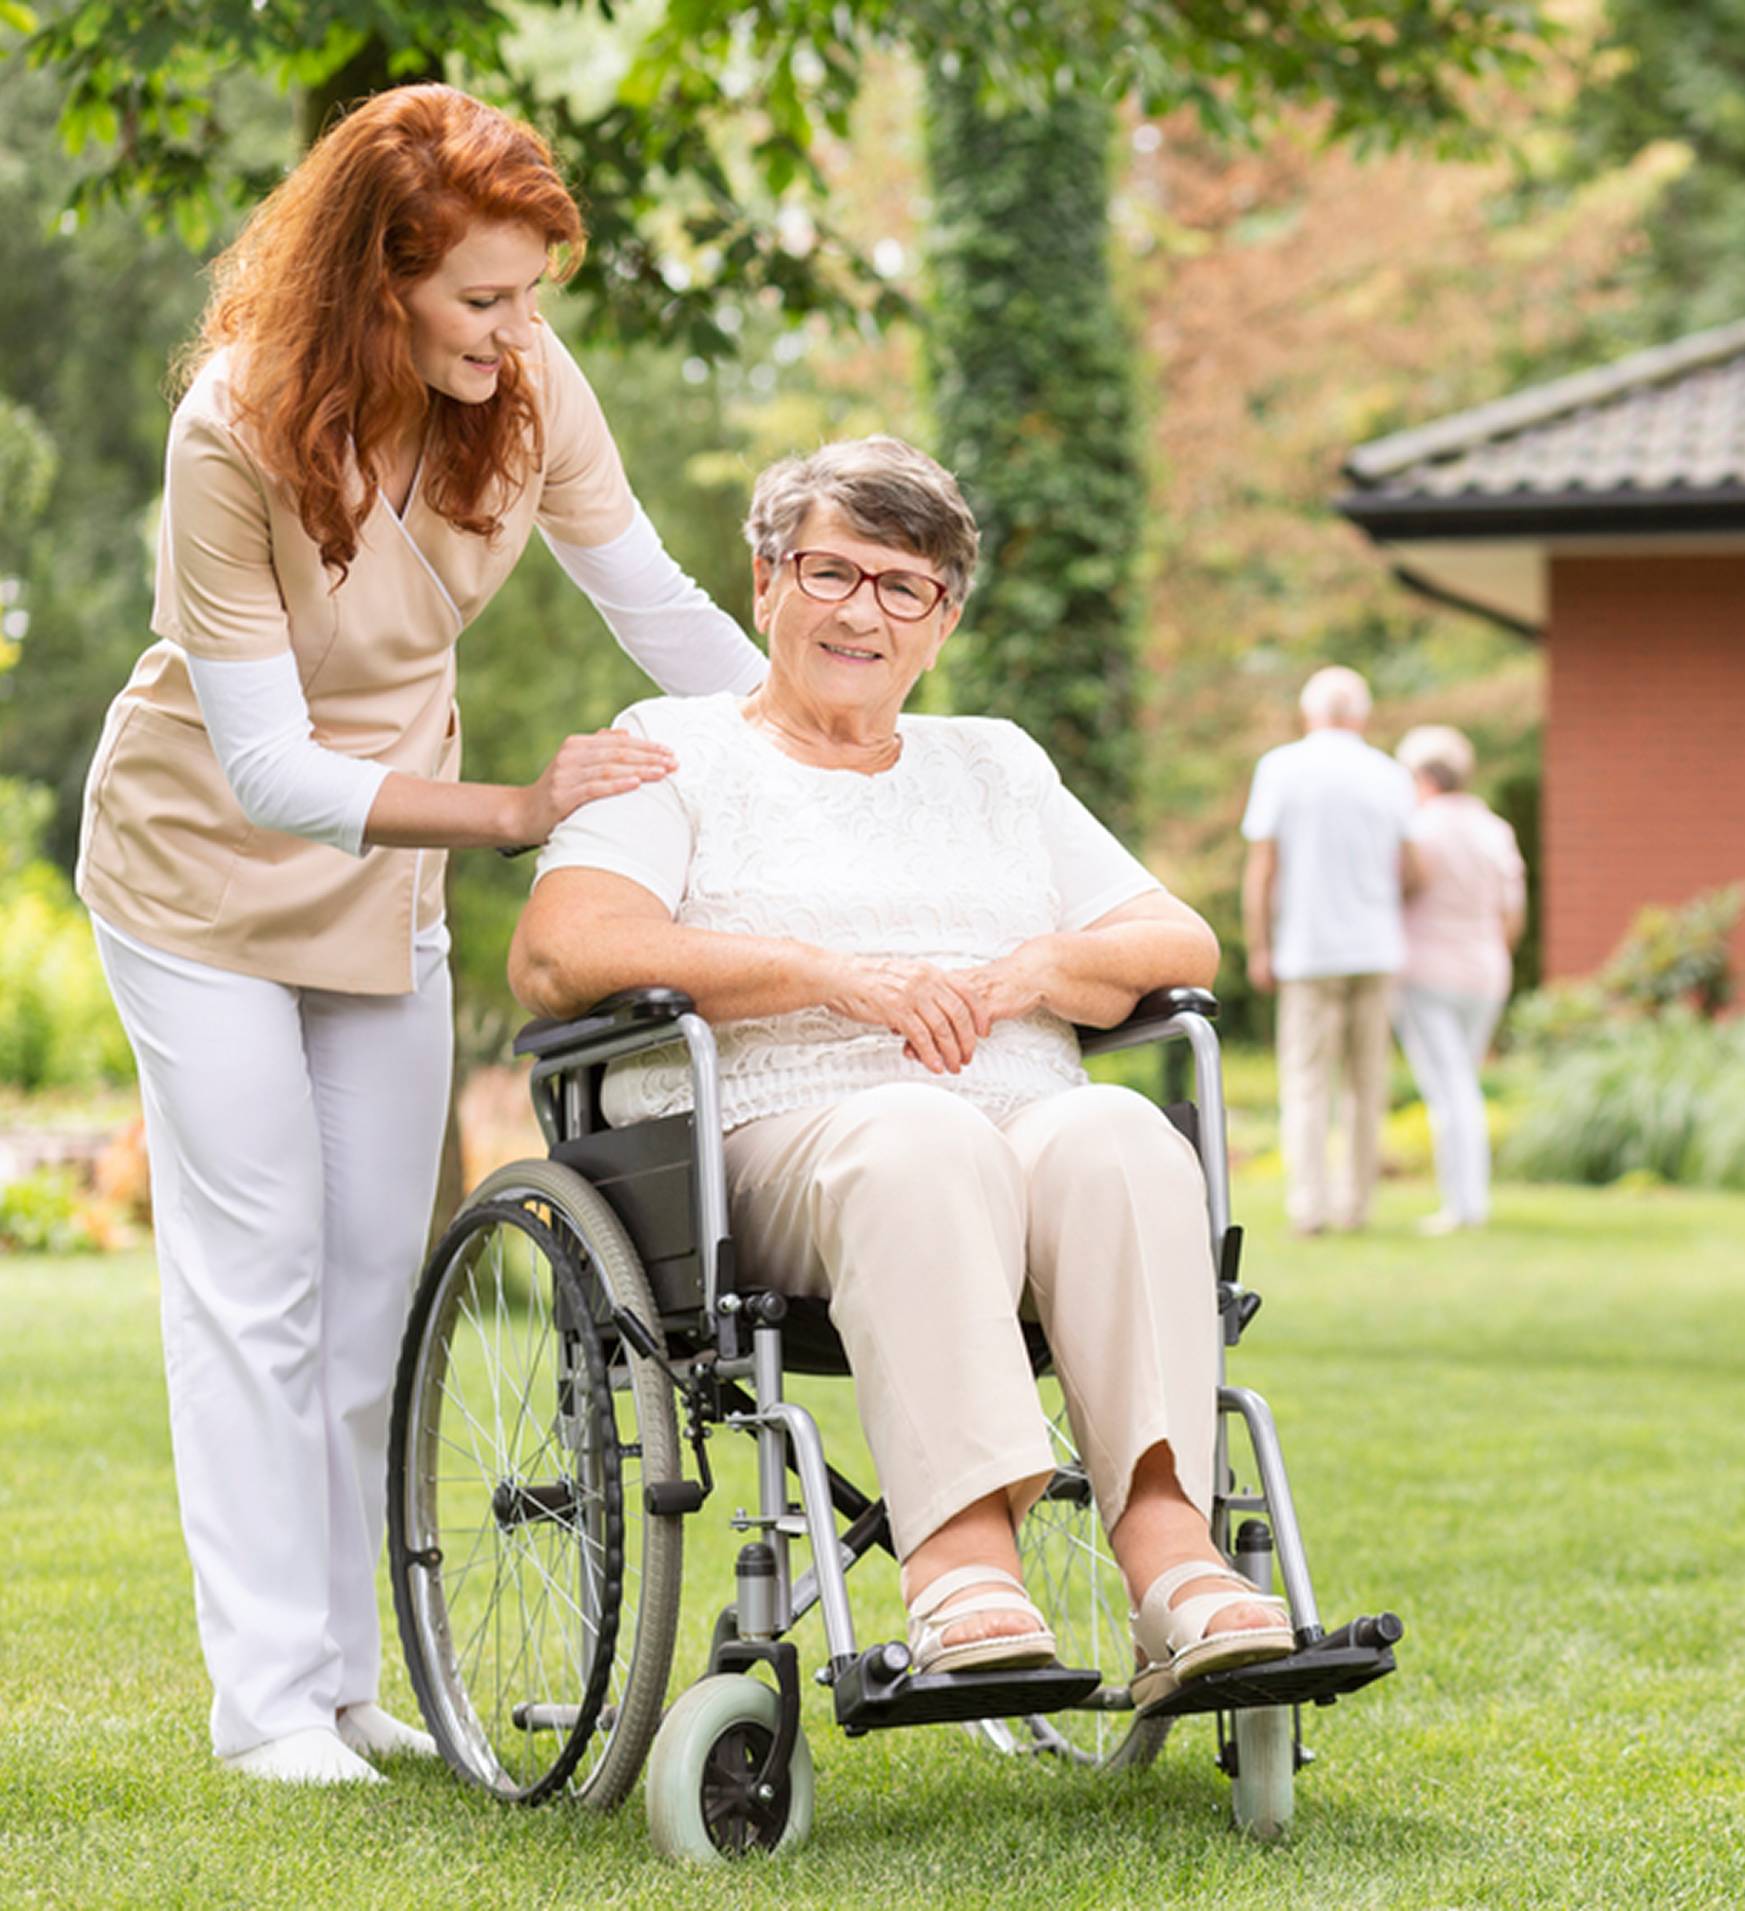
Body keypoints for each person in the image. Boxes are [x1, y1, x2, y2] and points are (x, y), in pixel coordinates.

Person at [75, 85, 768, 1785]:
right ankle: (265, 1699)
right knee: (256, 1274)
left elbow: (652, 599)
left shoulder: (523, 384)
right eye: (480, 296)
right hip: (199, 869)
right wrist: (520, 809)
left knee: (379, 1280)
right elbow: (266, 766)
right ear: (373, 280)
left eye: (531, 293)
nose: (515, 329)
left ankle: (344, 1683)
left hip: (386, 881)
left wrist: (820, 739)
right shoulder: (233, 426)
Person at [510, 436, 1294, 1705]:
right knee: (917, 1136)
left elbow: (1177, 942)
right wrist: (823, 975)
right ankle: (959, 1566)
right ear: (765, 581)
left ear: (941, 621)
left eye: (902, 587)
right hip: (774, 1147)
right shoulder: (673, 748)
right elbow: (562, 951)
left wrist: (1038, 968)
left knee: (1119, 1137)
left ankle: (1170, 1553)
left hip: (1018, 1125)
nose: (860, 612)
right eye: (829, 572)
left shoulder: (995, 764)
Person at [1240, 667, 1418, 1236]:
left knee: (1307, 1082)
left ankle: (1309, 1207)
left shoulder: (1281, 768)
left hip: (1307, 949)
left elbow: (1263, 867)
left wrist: (1260, 944)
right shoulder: (1390, 774)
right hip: (1375, 949)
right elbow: (1411, 869)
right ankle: (1355, 1206)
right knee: (1367, 1085)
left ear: (1307, 713)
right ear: (1361, 716)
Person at [1393, 725, 1526, 1234]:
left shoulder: (1418, 828)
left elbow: (1402, 891)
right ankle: (1470, 1200)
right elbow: (1512, 912)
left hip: (1427, 972)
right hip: (1486, 972)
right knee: (1462, 1082)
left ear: (1422, 777)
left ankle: (1464, 1205)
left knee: (1449, 1091)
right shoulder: (1495, 830)